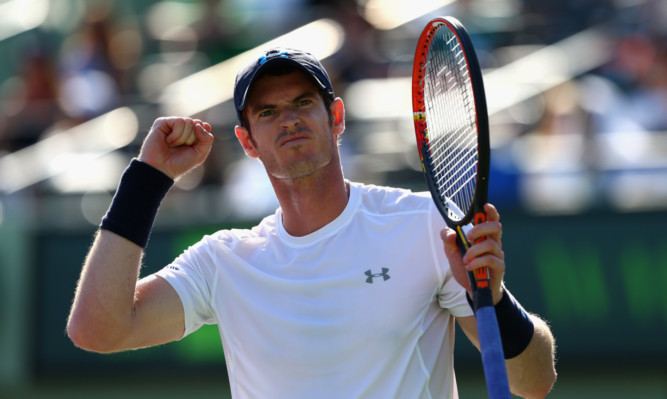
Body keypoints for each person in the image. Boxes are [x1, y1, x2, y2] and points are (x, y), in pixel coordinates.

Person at [67, 48, 556, 399]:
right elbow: (97, 330)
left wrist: (492, 299)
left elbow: (533, 382)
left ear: (335, 117)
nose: (289, 120)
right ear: (248, 141)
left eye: (303, 102)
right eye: (268, 111)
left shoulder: (425, 226)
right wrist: (147, 180)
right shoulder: (222, 261)